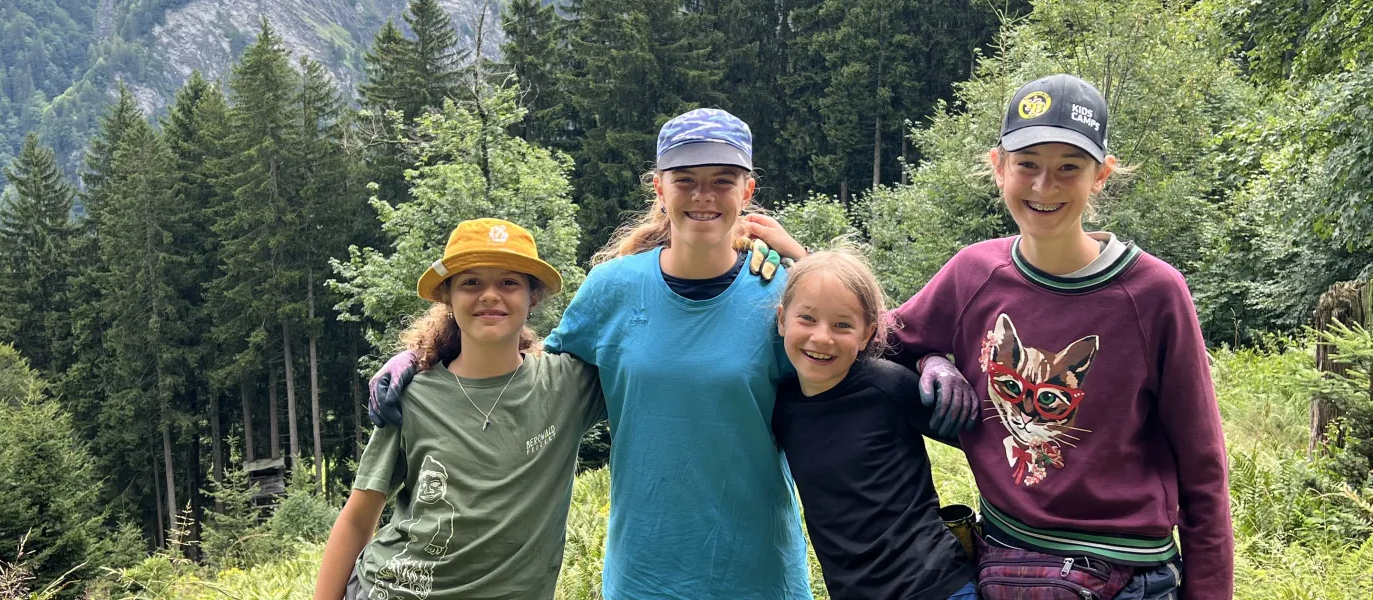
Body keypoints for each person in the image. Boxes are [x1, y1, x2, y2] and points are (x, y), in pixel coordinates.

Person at [368, 108, 819, 598]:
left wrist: (808, 264)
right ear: (659, 188)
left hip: (759, 573)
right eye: (685, 179)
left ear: (747, 191)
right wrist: (419, 357)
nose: (703, 194)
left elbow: (859, 355)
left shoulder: (781, 294)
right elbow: (528, 375)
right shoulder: (612, 288)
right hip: (645, 577)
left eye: (723, 180)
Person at [887, 74, 1233, 599]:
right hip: (1010, 566)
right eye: (1027, 164)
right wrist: (931, 360)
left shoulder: (1153, 293)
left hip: (1127, 576)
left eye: (1069, 167)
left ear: (1101, 175)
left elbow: (1202, 464)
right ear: (998, 167)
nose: (1044, 186)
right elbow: (872, 339)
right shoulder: (974, 274)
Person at [312, 218, 604, 600]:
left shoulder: (568, 385)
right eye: (471, 282)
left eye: (509, 282)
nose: (490, 295)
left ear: (533, 296)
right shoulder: (410, 395)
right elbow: (357, 518)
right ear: (448, 297)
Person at [769, 248, 978, 600]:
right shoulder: (781, 405)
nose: (822, 337)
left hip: (936, 586)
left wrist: (935, 360)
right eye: (807, 318)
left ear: (866, 334)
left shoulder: (888, 385)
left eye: (842, 325)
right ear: (781, 320)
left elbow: (984, 442)